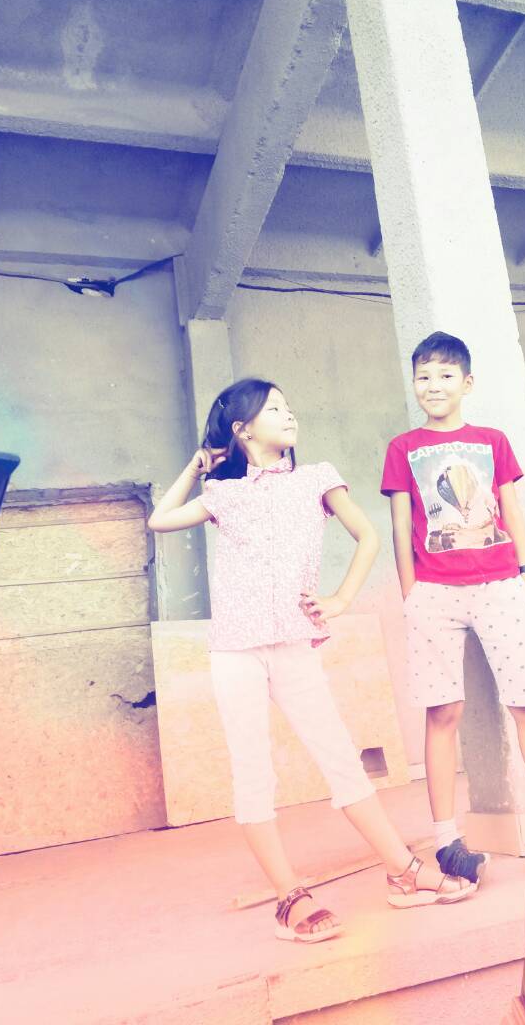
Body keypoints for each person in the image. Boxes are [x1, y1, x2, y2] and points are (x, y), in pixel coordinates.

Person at [149, 377, 474, 946]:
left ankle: (402, 871)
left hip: (294, 644)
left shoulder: (317, 478)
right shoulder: (223, 495)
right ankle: (289, 897)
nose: (288, 414)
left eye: (288, 405)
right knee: (253, 772)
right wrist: (195, 467)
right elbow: (160, 519)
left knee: (340, 759)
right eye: (274, 408)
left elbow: (367, 536)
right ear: (243, 429)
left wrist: (341, 599)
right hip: (236, 651)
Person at [381, 332, 525, 885]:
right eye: (424, 376)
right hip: (434, 593)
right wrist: (410, 590)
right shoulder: (403, 448)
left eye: (446, 375)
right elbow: (401, 524)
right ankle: (446, 841)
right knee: (443, 712)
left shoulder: (492, 440)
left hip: (500, 583)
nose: (434, 385)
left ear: (467, 383)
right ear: (414, 383)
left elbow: (511, 508)